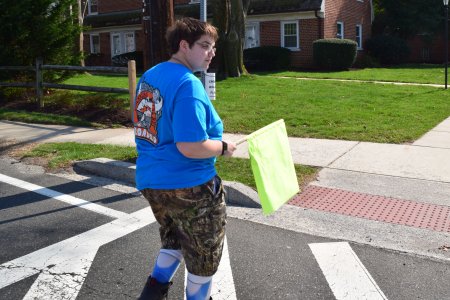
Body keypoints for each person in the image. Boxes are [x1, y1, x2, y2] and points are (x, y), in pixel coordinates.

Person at [133, 17, 236, 300]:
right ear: (183, 45)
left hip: (152, 181)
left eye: (213, 47)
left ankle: (153, 293)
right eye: (204, 46)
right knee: (204, 256)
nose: (211, 52)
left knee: (174, 241)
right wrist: (224, 147)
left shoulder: (150, 76)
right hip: (191, 185)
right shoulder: (188, 84)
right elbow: (191, 146)